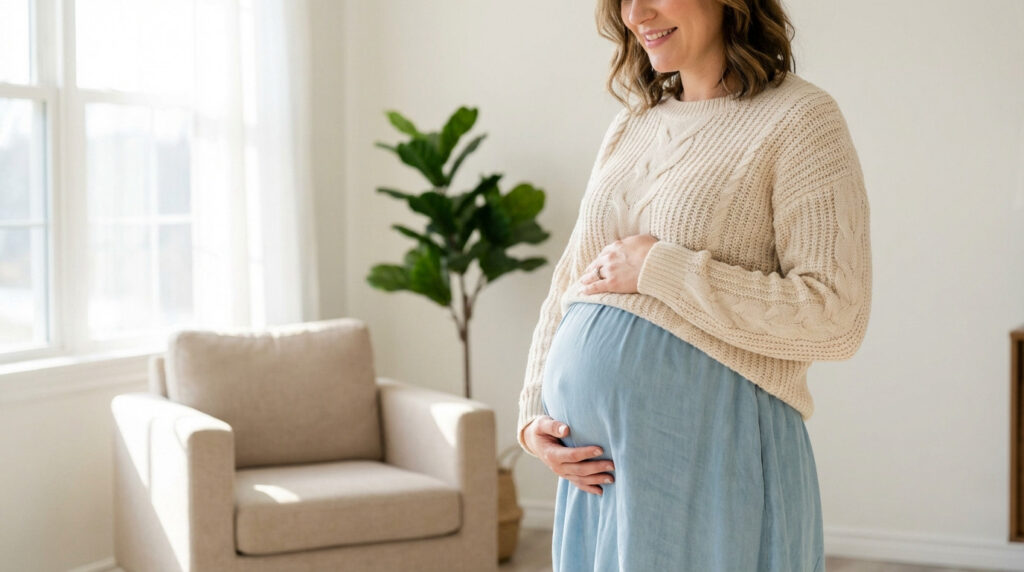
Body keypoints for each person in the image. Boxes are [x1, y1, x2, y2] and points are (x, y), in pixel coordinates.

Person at [515, 0, 873, 570]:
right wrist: (535, 413)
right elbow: (570, 280)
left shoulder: (800, 118)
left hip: (710, 451)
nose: (636, 14)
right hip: (598, 475)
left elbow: (836, 316)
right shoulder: (634, 123)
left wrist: (662, 269)